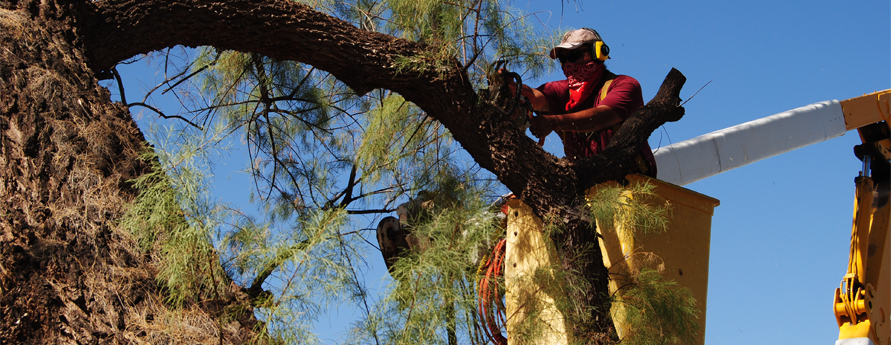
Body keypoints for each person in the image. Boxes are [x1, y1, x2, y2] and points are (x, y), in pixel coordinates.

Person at [510, 28, 657, 177]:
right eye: (563, 60)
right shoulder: (562, 91)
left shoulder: (624, 85)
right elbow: (535, 96)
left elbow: (601, 116)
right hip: (587, 187)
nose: (569, 65)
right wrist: (512, 89)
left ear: (599, 53)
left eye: (575, 55)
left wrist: (554, 121)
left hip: (635, 185)